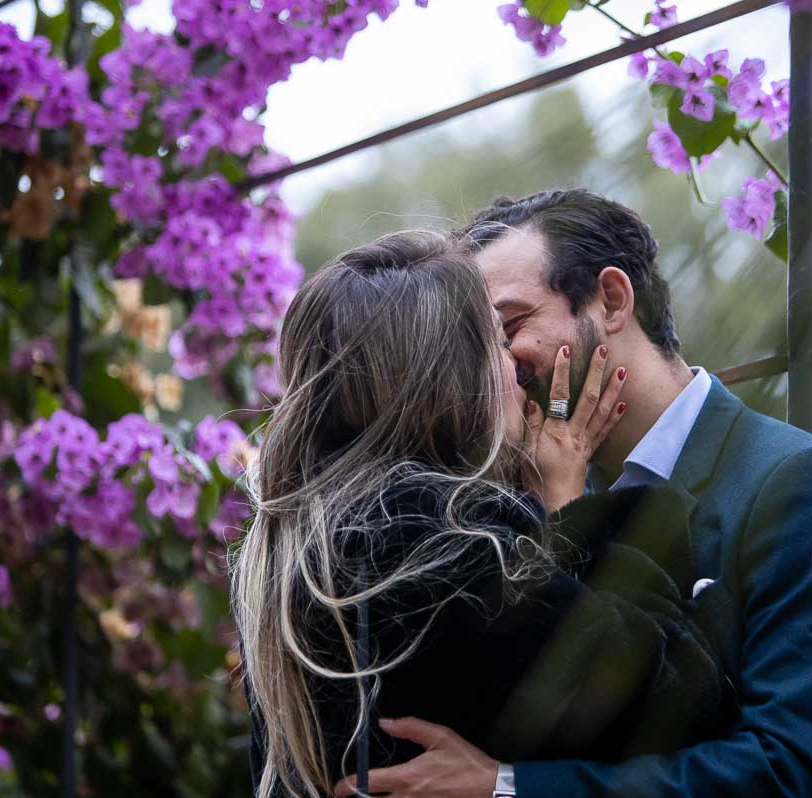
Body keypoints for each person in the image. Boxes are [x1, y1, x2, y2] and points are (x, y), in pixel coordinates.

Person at [345, 190, 812, 798]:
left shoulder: (809, 486)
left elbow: (795, 777)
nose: (496, 366)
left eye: (509, 328)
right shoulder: (510, 497)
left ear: (611, 299)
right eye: (477, 346)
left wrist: (508, 787)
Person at [231, 230, 735, 798]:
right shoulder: (443, 541)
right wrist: (571, 512)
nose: (517, 368)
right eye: (499, 340)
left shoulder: (295, 544)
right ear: (452, 373)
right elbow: (681, 701)